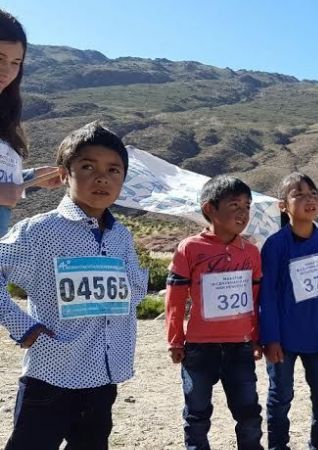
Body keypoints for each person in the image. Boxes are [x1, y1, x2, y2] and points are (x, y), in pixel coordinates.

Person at [0, 121, 149, 450]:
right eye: (87, 167)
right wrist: (20, 324)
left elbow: (132, 293)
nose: (102, 178)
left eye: (113, 170)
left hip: (103, 378)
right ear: (64, 174)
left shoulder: (121, 236)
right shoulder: (40, 231)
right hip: (51, 375)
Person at [165, 175, 264, 450]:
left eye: (247, 206)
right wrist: (175, 340)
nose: (243, 213)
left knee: (249, 414)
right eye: (234, 205)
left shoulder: (251, 252)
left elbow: (256, 299)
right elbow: (175, 298)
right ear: (210, 208)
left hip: (240, 347)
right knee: (196, 415)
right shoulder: (190, 248)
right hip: (199, 348)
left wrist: (257, 337)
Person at [259, 172, 318, 450]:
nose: (309, 200)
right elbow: (267, 295)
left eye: (313, 194)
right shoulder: (274, 246)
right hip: (283, 340)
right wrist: (270, 338)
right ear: (283, 205)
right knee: (280, 398)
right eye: (299, 195)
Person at [0, 9, 61, 236]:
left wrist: (33, 178)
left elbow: (5, 184)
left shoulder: (5, 116)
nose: (7, 71)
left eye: (16, 62)